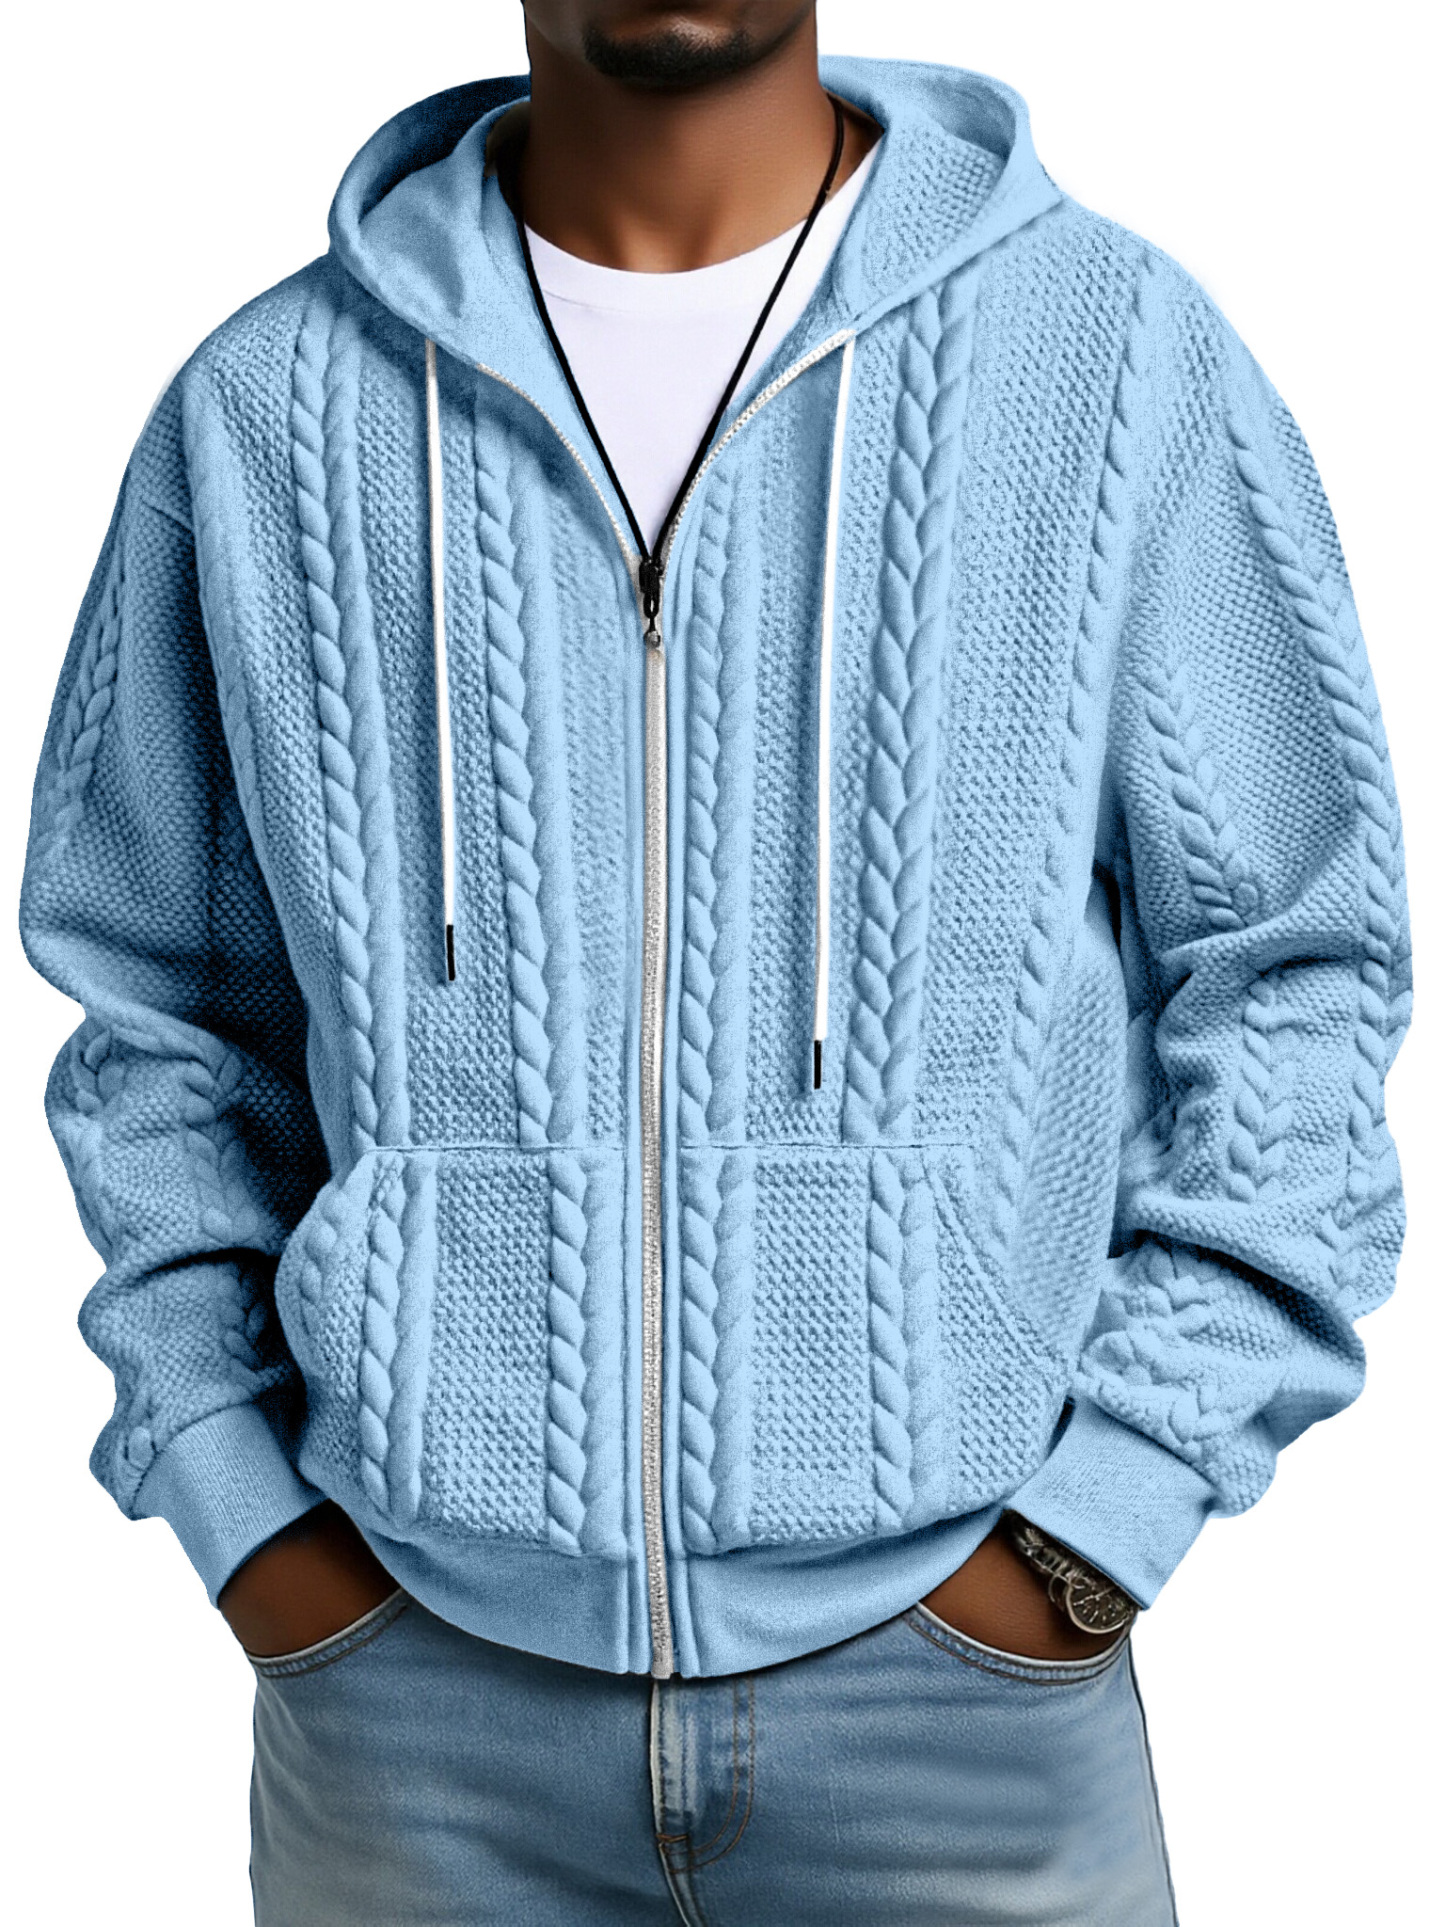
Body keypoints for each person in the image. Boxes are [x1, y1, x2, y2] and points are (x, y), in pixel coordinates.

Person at [19, 4, 1412, 1923]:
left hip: (965, 1705)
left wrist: (1099, 1525)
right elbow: (157, 1004)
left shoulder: (1108, 352)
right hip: (414, 1718)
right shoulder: (268, 405)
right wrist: (239, 1508)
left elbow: (1294, 965)